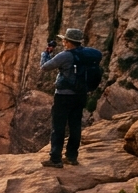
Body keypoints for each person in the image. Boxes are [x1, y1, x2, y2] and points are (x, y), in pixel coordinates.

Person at [40, 28, 102, 168]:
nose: (62, 42)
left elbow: (44, 67)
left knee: (58, 127)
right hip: (81, 96)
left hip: (63, 96)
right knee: (75, 125)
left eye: (64, 40)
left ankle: (55, 159)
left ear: (68, 42)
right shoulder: (87, 53)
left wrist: (46, 54)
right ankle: (72, 157)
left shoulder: (65, 55)